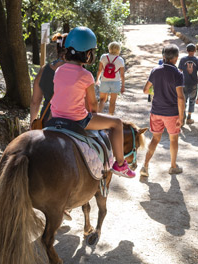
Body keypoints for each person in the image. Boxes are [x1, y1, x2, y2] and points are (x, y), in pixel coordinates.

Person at [49, 27, 136, 178]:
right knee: (117, 123)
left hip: (55, 117)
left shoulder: (59, 70)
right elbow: (93, 105)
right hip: (78, 120)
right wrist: (94, 114)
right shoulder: (86, 75)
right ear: (88, 53)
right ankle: (120, 164)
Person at [141, 45, 187, 176]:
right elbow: (180, 97)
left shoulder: (155, 70)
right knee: (173, 139)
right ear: (176, 58)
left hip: (156, 112)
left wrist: (155, 90)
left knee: (155, 139)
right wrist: (181, 117)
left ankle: (145, 166)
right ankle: (173, 166)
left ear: (163, 57)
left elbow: (145, 90)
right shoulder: (178, 73)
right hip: (172, 114)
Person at [30, 33, 68, 125]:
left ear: (56, 49)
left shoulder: (44, 69)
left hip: (45, 121)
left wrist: (32, 124)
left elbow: (35, 101)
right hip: (68, 122)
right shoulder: (77, 71)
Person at [95, 41, 126, 114]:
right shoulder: (120, 60)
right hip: (116, 82)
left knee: (102, 100)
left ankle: (98, 116)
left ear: (109, 48)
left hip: (104, 80)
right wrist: (123, 86)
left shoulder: (103, 57)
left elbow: (99, 70)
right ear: (118, 49)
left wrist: (97, 80)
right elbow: (122, 75)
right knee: (112, 102)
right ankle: (110, 117)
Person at [178, 43, 198, 124]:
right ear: (195, 51)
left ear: (187, 50)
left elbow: (179, 72)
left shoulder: (183, 60)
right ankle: (189, 118)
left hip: (184, 83)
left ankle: (182, 117)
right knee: (192, 100)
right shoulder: (197, 61)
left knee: (183, 100)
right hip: (193, 83)